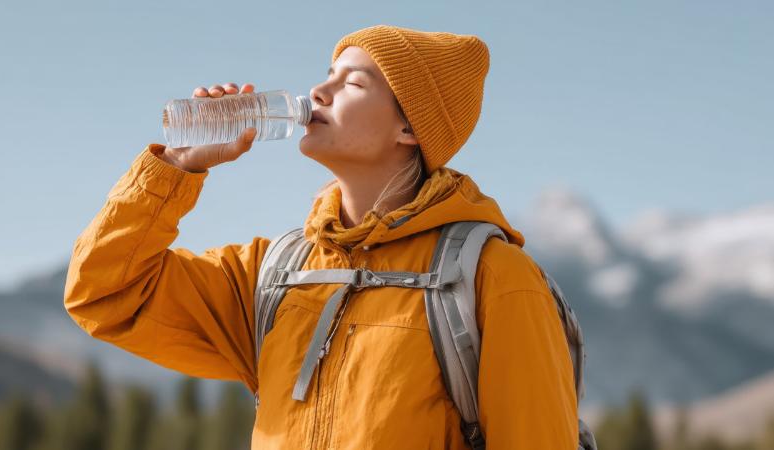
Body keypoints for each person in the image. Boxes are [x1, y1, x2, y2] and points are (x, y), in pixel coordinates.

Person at [64, 24, 579, 449]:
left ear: (410, 129)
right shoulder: (274, 276)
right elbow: (105, 295)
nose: (319, 91)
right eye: (327, 74)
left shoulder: (492, 278)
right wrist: (177, 168)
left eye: (352, 83)